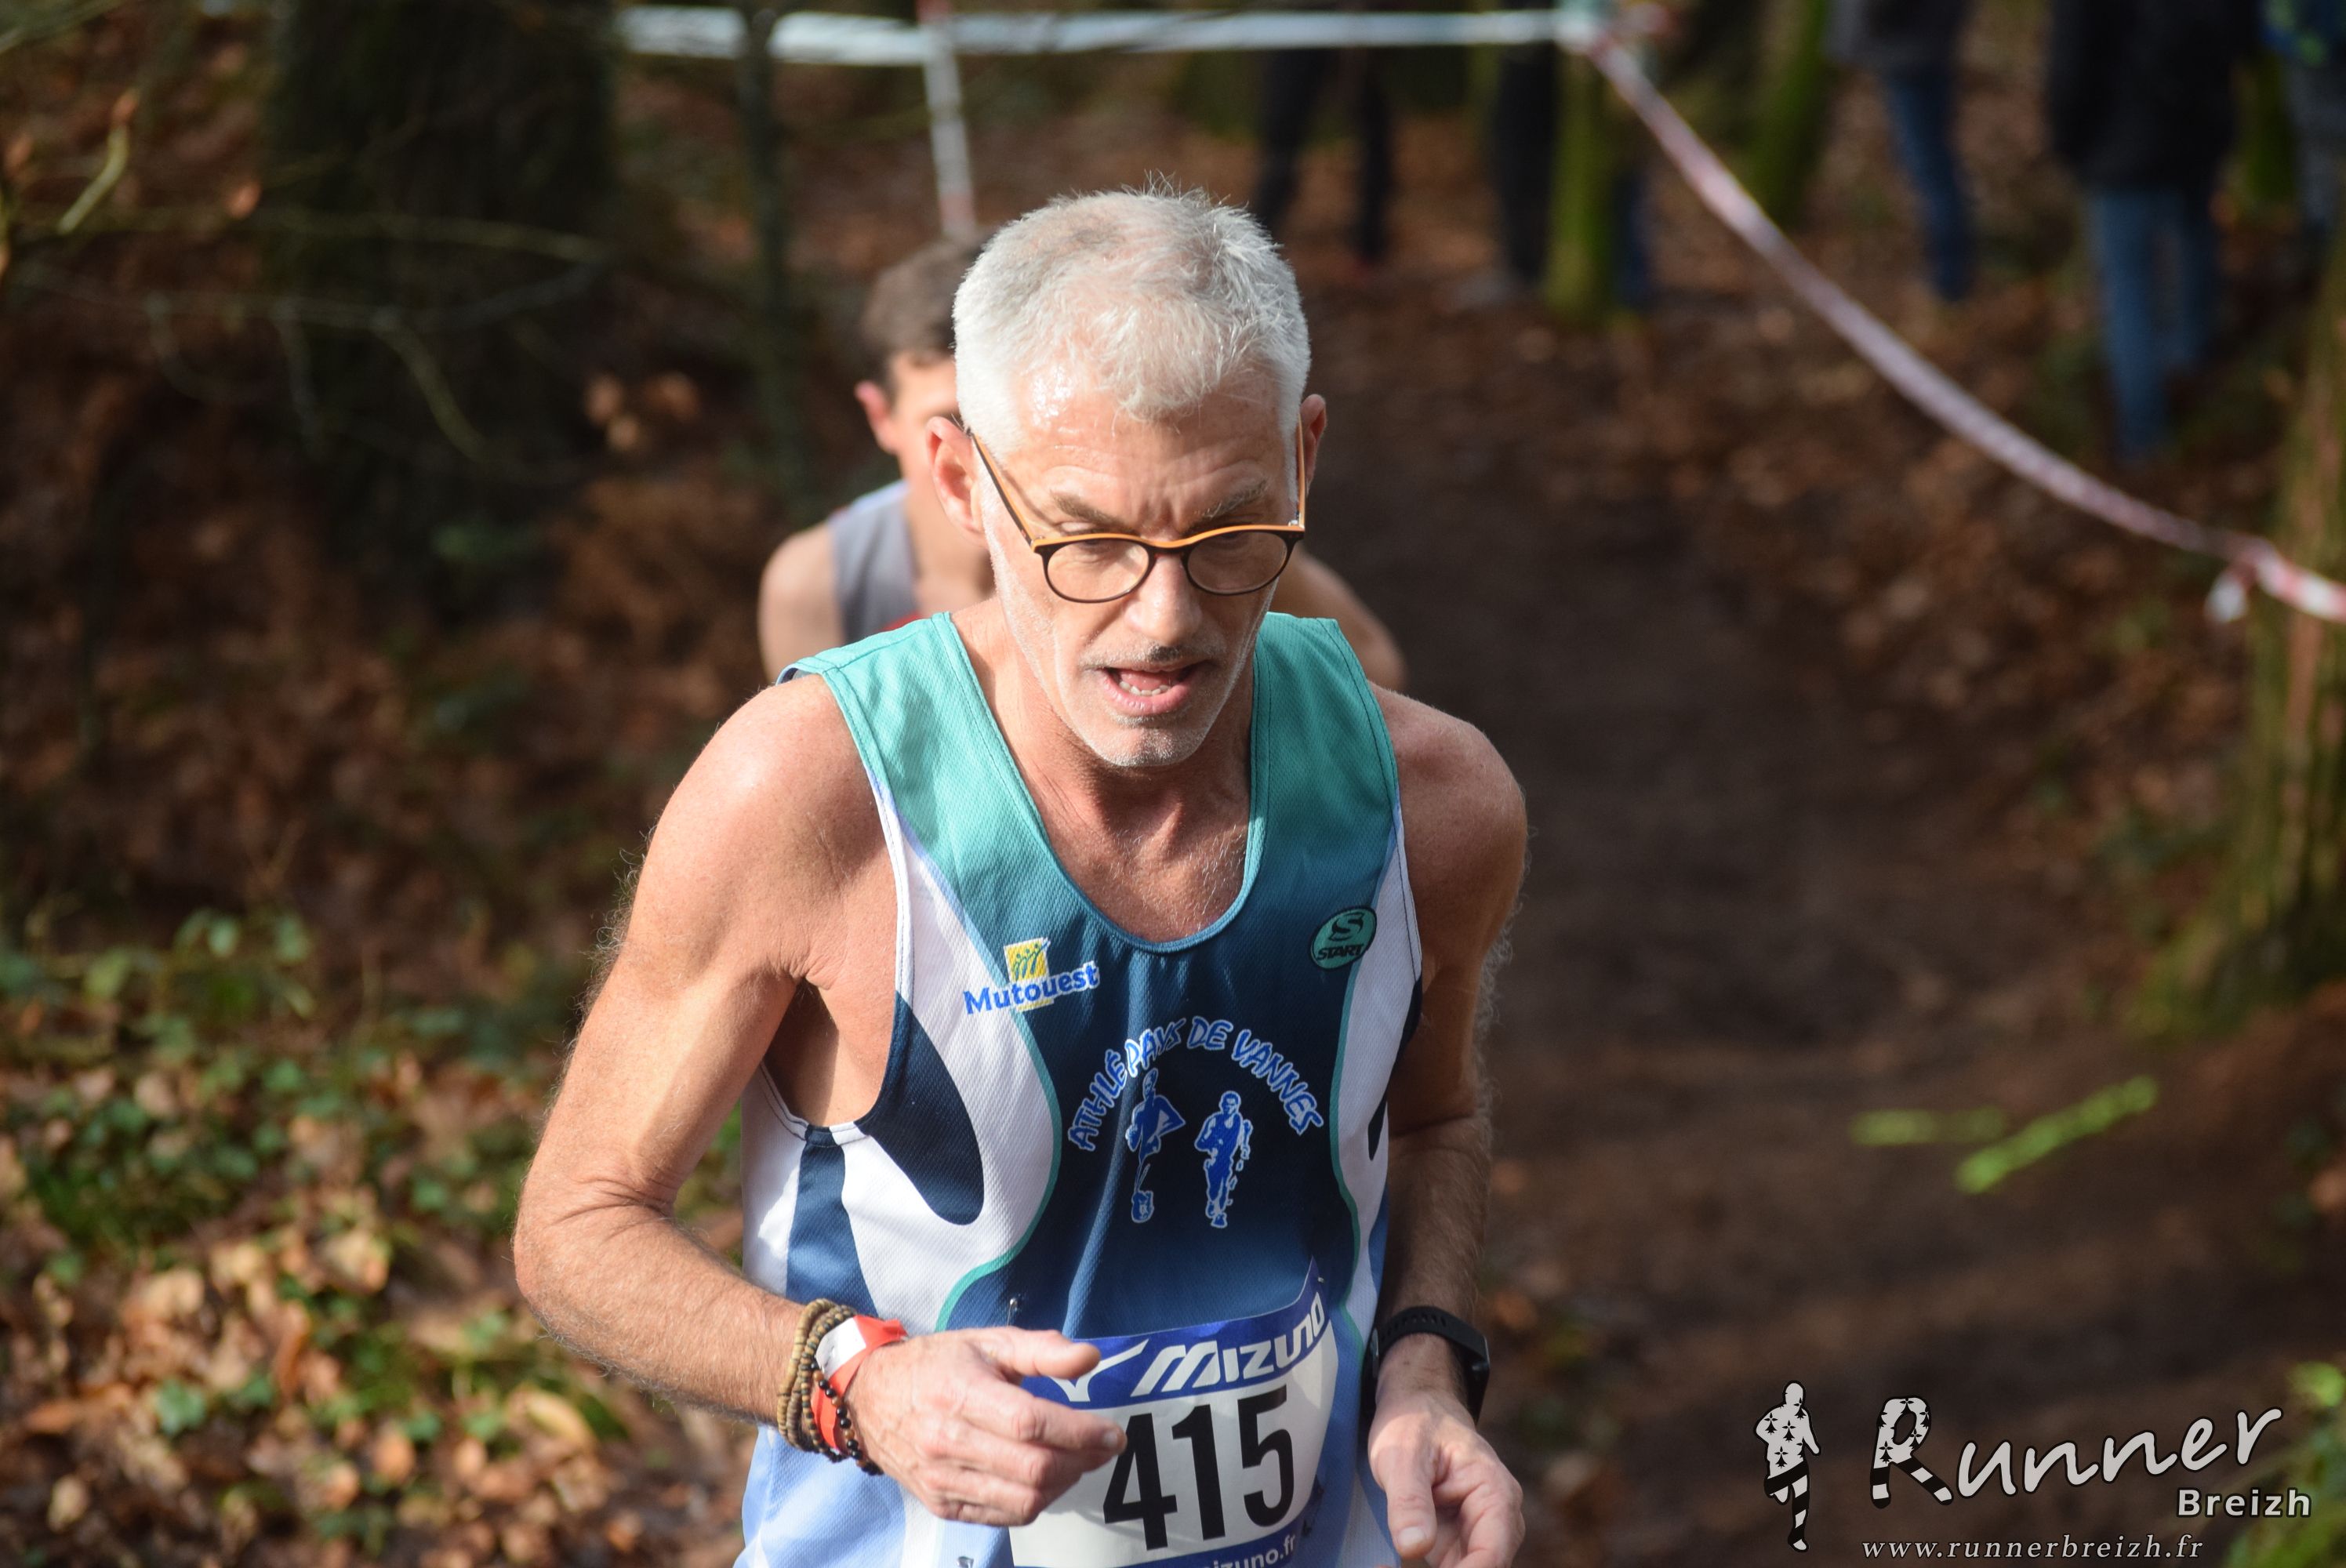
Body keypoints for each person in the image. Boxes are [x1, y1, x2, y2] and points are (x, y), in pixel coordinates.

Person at [515, 186, 1527, 1566]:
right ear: (956, 482)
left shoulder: (1437, 804)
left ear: (1302, 462)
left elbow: (1434, 1124)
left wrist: (1424, 1365)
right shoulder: (809, 796)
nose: (1162, 620)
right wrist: (856, 1384)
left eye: (1227, 532)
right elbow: (576, 1228)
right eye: (1088, 539)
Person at [761, 234, 1409, 689]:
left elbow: (1373, 679)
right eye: (959, 418)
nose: (990, 446)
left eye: (1014, 418)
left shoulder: (1191, 538)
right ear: (882, 418)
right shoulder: (822, 583)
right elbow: (836, 783)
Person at [2046, 0, 2260, 463]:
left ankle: (2144, 434)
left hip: (2124, 141)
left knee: (2128, 285)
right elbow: (2243, 28)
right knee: (2192, 235)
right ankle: (2193, 358)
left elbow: (2071, 60)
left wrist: (2070, 144)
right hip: (2196, 122)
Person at [1832, 0, 1977, 303]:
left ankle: (1949, 278)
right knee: (1929, 160)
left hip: (1908, 45)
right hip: (1920, 41)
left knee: (1928, 164)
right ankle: (1949, 271)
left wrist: (1873, 23)